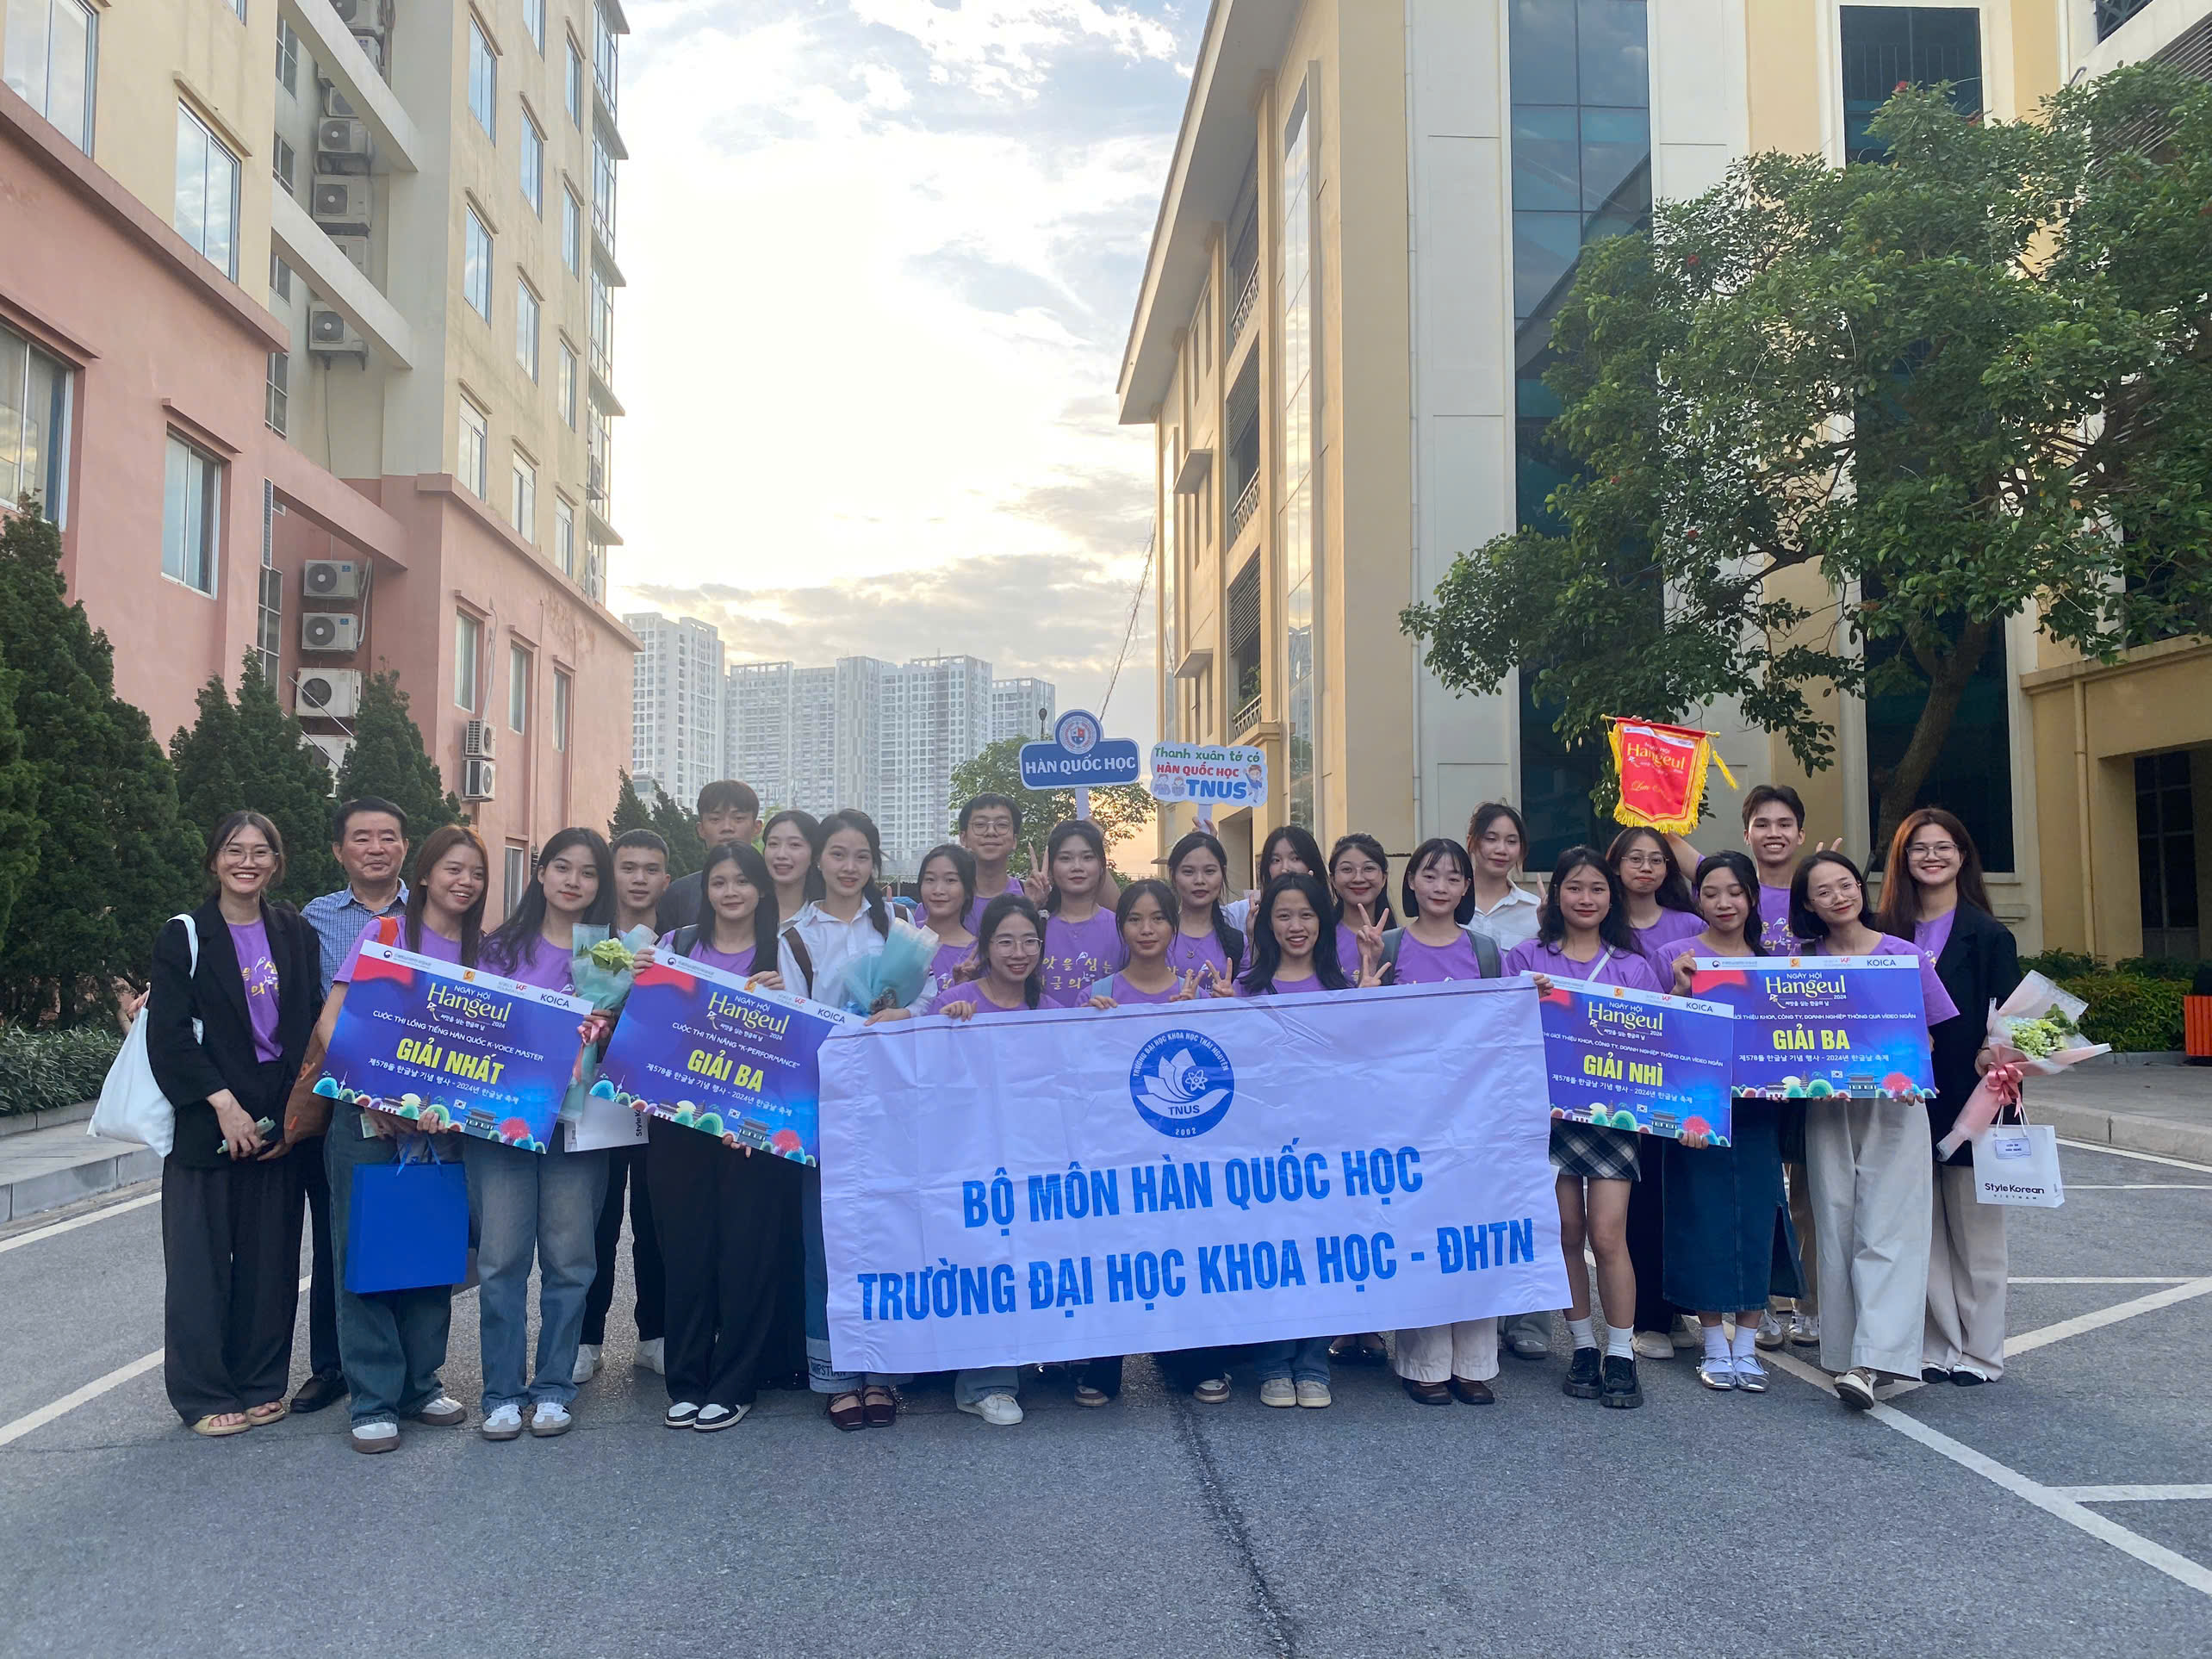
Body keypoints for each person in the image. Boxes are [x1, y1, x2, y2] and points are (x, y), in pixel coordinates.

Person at [144, 811, 324, 1437]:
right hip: (207, 1121)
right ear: (214, 859)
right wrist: (224, 1105)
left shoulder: (294, 930)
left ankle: (259, 1381)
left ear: (277, 861)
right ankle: (202, 1393)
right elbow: (168, 1036)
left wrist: (294, 1113)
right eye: (234, 850)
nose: (247, 862)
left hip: (277, 1116)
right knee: (199, 1264)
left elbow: (307, 1021)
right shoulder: (185, 935)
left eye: (260, 851)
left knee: (270, 1261)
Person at [314, 825, 488, 1451]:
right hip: (369, 1123)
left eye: (477, 873)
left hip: (445, 1132)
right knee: (365, 1256)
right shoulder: (385, 934)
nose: (464, 882)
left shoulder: (484, 953)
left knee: (429, 1255)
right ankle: (372, 1399)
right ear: (425, 875)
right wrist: (370, 1092)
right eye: (453, 869)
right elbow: (333, 1018)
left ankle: (420, 1385)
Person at [635, 841, 797, 1432]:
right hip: (678, 1126)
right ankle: (686, 1380)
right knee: (685, 1252)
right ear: (705, 891)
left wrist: (782, 1001)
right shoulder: (675, 946)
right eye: (719, 882)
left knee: (745, 1255)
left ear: (761, 889)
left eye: (742, 881)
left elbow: (798, 1049)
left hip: (750, 1134)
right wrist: (637, 980)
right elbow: (646, 1030)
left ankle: (734, 1383)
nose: (731, 892)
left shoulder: (786, 952)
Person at [1789, 849, 1960, 1409]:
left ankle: (1873, 1359)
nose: (1839, 896)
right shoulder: (1798, 962)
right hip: (1826, 1107)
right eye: (1823, 891)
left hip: (1895, 1107)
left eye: (1846, 884)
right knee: (1835, 1224)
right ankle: (1844, 1353)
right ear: (1808, 904)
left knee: (1890, 1228)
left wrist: (1913, 1068)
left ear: (1860, 888)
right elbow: (1779, 1036)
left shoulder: (1904, 956)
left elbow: (1931, 1033)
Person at [469, 829, 616, 1441]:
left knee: (570, 1260)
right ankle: (501, 1392)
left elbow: (640, 1044)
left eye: (588, 871)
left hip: (579, 1124)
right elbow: (472, 1029)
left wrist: (610, 1025)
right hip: (503, 1123)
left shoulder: (612, 956)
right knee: (501, 1260)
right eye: (562, 867)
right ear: (539, 873)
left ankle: (554, 1387)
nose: (573, 881)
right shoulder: (498, 948)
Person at [1505, 848, 1662, 1410]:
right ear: (1556, 896)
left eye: (1597, 888)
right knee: (1565, 1232)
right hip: (1545, 1116)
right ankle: (1583, 1347)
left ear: (1611, 897)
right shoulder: (1524, 959)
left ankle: (1621, 1352)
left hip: (1612, 1119)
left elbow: (1657, 1040)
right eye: (1574, 887)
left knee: (1608, 1234)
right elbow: (1498, 1031)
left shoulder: (1633, 966)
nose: (1586, 898)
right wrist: (1522, 999)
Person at [1874, 809, 2022, 1388]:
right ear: (1903, 860)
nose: (1931, 857)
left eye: (1943, 847)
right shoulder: (1884, 930)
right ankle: (1938, 1344)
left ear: (1962, 856)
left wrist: (1996, 1052)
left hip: (1971, 1100)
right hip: (1901, 1101)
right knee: (1924, 1231)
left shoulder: (1989, 935)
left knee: (1977, 1232)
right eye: (1919, 848)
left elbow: (2013, 1021)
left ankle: (1982, 1353)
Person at [780, 809, 917, 1431]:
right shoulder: (794, 935)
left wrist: (903, 1014)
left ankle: (884, 1371)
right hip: (824, 1101)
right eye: (838, 853)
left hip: (889, 1104)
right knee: (826, 1243)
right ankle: (835, 1374)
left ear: (874, 863)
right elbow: (792, 1019)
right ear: (819, 858)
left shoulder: (899, 929)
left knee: (887, 1236)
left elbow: (927, 999)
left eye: (861, 855)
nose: (849, 866)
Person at [1656, 852, 1805, 1395]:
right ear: (1697, 899)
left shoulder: (1774, 963)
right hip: (1697, 1113)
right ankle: (1714, 1343)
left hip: (1759, 1112)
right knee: (1703, 1220)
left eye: (1735, 892)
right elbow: (1654, 1038)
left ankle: (1747, 1346)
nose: (1724, 903)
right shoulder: (1675, 956)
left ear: (1752, 898)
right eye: (1711, 892)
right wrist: (1677, 992)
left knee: (1758, 1220)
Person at [1237, 873, 1384, 1408]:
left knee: (1324, 1255)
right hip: (1263, 1152)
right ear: (1266, 924)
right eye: (1283, 915)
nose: (1295, 926)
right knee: (1274, 1257)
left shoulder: (1344, 988)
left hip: (1328, 1149)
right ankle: (1274, 1364)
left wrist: (1369, 1003)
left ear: (1322, 921)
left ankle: (1314, 1363)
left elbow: (1368, 1064)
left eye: (1306, 914)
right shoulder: (1243, 990)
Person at [290, 796, 412, 1416]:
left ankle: (413, 1373)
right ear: (339, 850)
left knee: (412, 1228)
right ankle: (332, 1365)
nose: (376, 848)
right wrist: (367, 1087)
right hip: (343, 1095)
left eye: (388, 837)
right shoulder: (312, 920)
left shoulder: (432, 913)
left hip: (423, 1100)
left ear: (406, 847)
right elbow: (300, 1004)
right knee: (339, 1235)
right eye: (361, 838)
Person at [1382, 838, 1509, 1407]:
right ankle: (1424, 1363)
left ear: (1466, 888)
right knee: (1421, 1237)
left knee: (1474, 1235)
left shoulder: (1486, 952)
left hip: (1473, 1117)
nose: (1440, 887)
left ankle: (1476, 1363)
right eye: (1429, 875)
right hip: (1408, 1119)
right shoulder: (1387, 946)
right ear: (1411, 881)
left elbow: (1503, 1032)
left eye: (1453, 877)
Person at [577, 829, 674, 1388]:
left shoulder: (681, 939)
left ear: (666, 878)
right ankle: (585, 1339)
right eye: (628, 867)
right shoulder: (591, 936)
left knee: (656, 1219)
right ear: (612, 873)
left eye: (650, 869)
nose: (639, 878)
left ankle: (655, 1336)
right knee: (599, 1216)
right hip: (600, 1095)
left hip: (662, 1099)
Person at [1607, 826, 1705, 1364]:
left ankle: (1674, 1306)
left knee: (1678, 1193)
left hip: (1682, 1074)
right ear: (1615, 865)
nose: (1645, 868)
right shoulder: (1603, 920)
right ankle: (1646, 1316)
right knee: (1637, 1199)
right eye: (1634, 858)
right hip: (1619, 1077)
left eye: (1657, 859)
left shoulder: (1690, 924)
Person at [1463, 802, 1552, 1363]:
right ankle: (1476, 1312)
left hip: (1521, 1066)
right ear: (1472, 841)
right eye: (1491, 838)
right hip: (1464, 1072)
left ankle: (1530, 1316)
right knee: (1472, 1190)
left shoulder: (1536, 912)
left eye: (1511, 840)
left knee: (1526, 1187)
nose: (1501, 849)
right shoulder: (1447, 900)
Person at [1737, 783, 1824, 1354]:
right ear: (1746, 833)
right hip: (1752, 1062)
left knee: (1812, 1191)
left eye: (1784, 823)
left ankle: (1811, 1303)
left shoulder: (1816, 892)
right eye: (1763, 823)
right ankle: (1761, 1301)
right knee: (1763, 1187)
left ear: (1800, 832)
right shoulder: (1734, 891)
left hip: (1816, 1059)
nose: (1774, 833)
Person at [654, 780, 762, 935]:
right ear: (701, 829)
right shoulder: (679, 894)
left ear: (757, 827)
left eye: (738, 818)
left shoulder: (776, 887)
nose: (727, 828)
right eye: (715, 819)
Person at [1038, 819, 1124, 1009]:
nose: (1077, 867)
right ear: (1051, 868)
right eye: (1065, 858)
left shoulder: (1121, 928)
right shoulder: (1036, 927)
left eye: (1087, 857)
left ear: (1102, 866)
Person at [1164, 830, 1245, 991]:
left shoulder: (1238, 942)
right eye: (1188, 872)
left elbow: (1249, 998)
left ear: (1223, 873)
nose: (1199, 880)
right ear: (1173, 875)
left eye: (1209, 871)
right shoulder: (1155, 935)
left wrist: (1231, 998)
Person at [1223, 824, 1327, 931]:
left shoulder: (1327, 913)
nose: (1285, 868)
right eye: (1276, 860)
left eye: (1295, 858)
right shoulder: (1244, 913)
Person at [1327, 833, 1399, 980]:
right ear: (1333, 880)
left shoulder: (1399, 940)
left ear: (1383, 878)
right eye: (1347, 869)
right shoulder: (1319, 937)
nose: (1358, 879)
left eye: (1368, 869)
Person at [913, 842, 980, 997]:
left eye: (950, 880)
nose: (938, 890)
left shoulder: (978, 954)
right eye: (930, 879)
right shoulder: (904, 937)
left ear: (969, 889)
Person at [956, 793, 1023, 932]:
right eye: (980, 825)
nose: (991, 832)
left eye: (1002, 825)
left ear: (1014, 840)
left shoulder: (1030, 895)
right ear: (964, 838)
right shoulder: (940, 900)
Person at [761, 809, 826, 923]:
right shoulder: (748, 912)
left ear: (815, 854)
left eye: (794, 845)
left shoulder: (826, 916)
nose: (781, 855)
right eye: (773, 844)